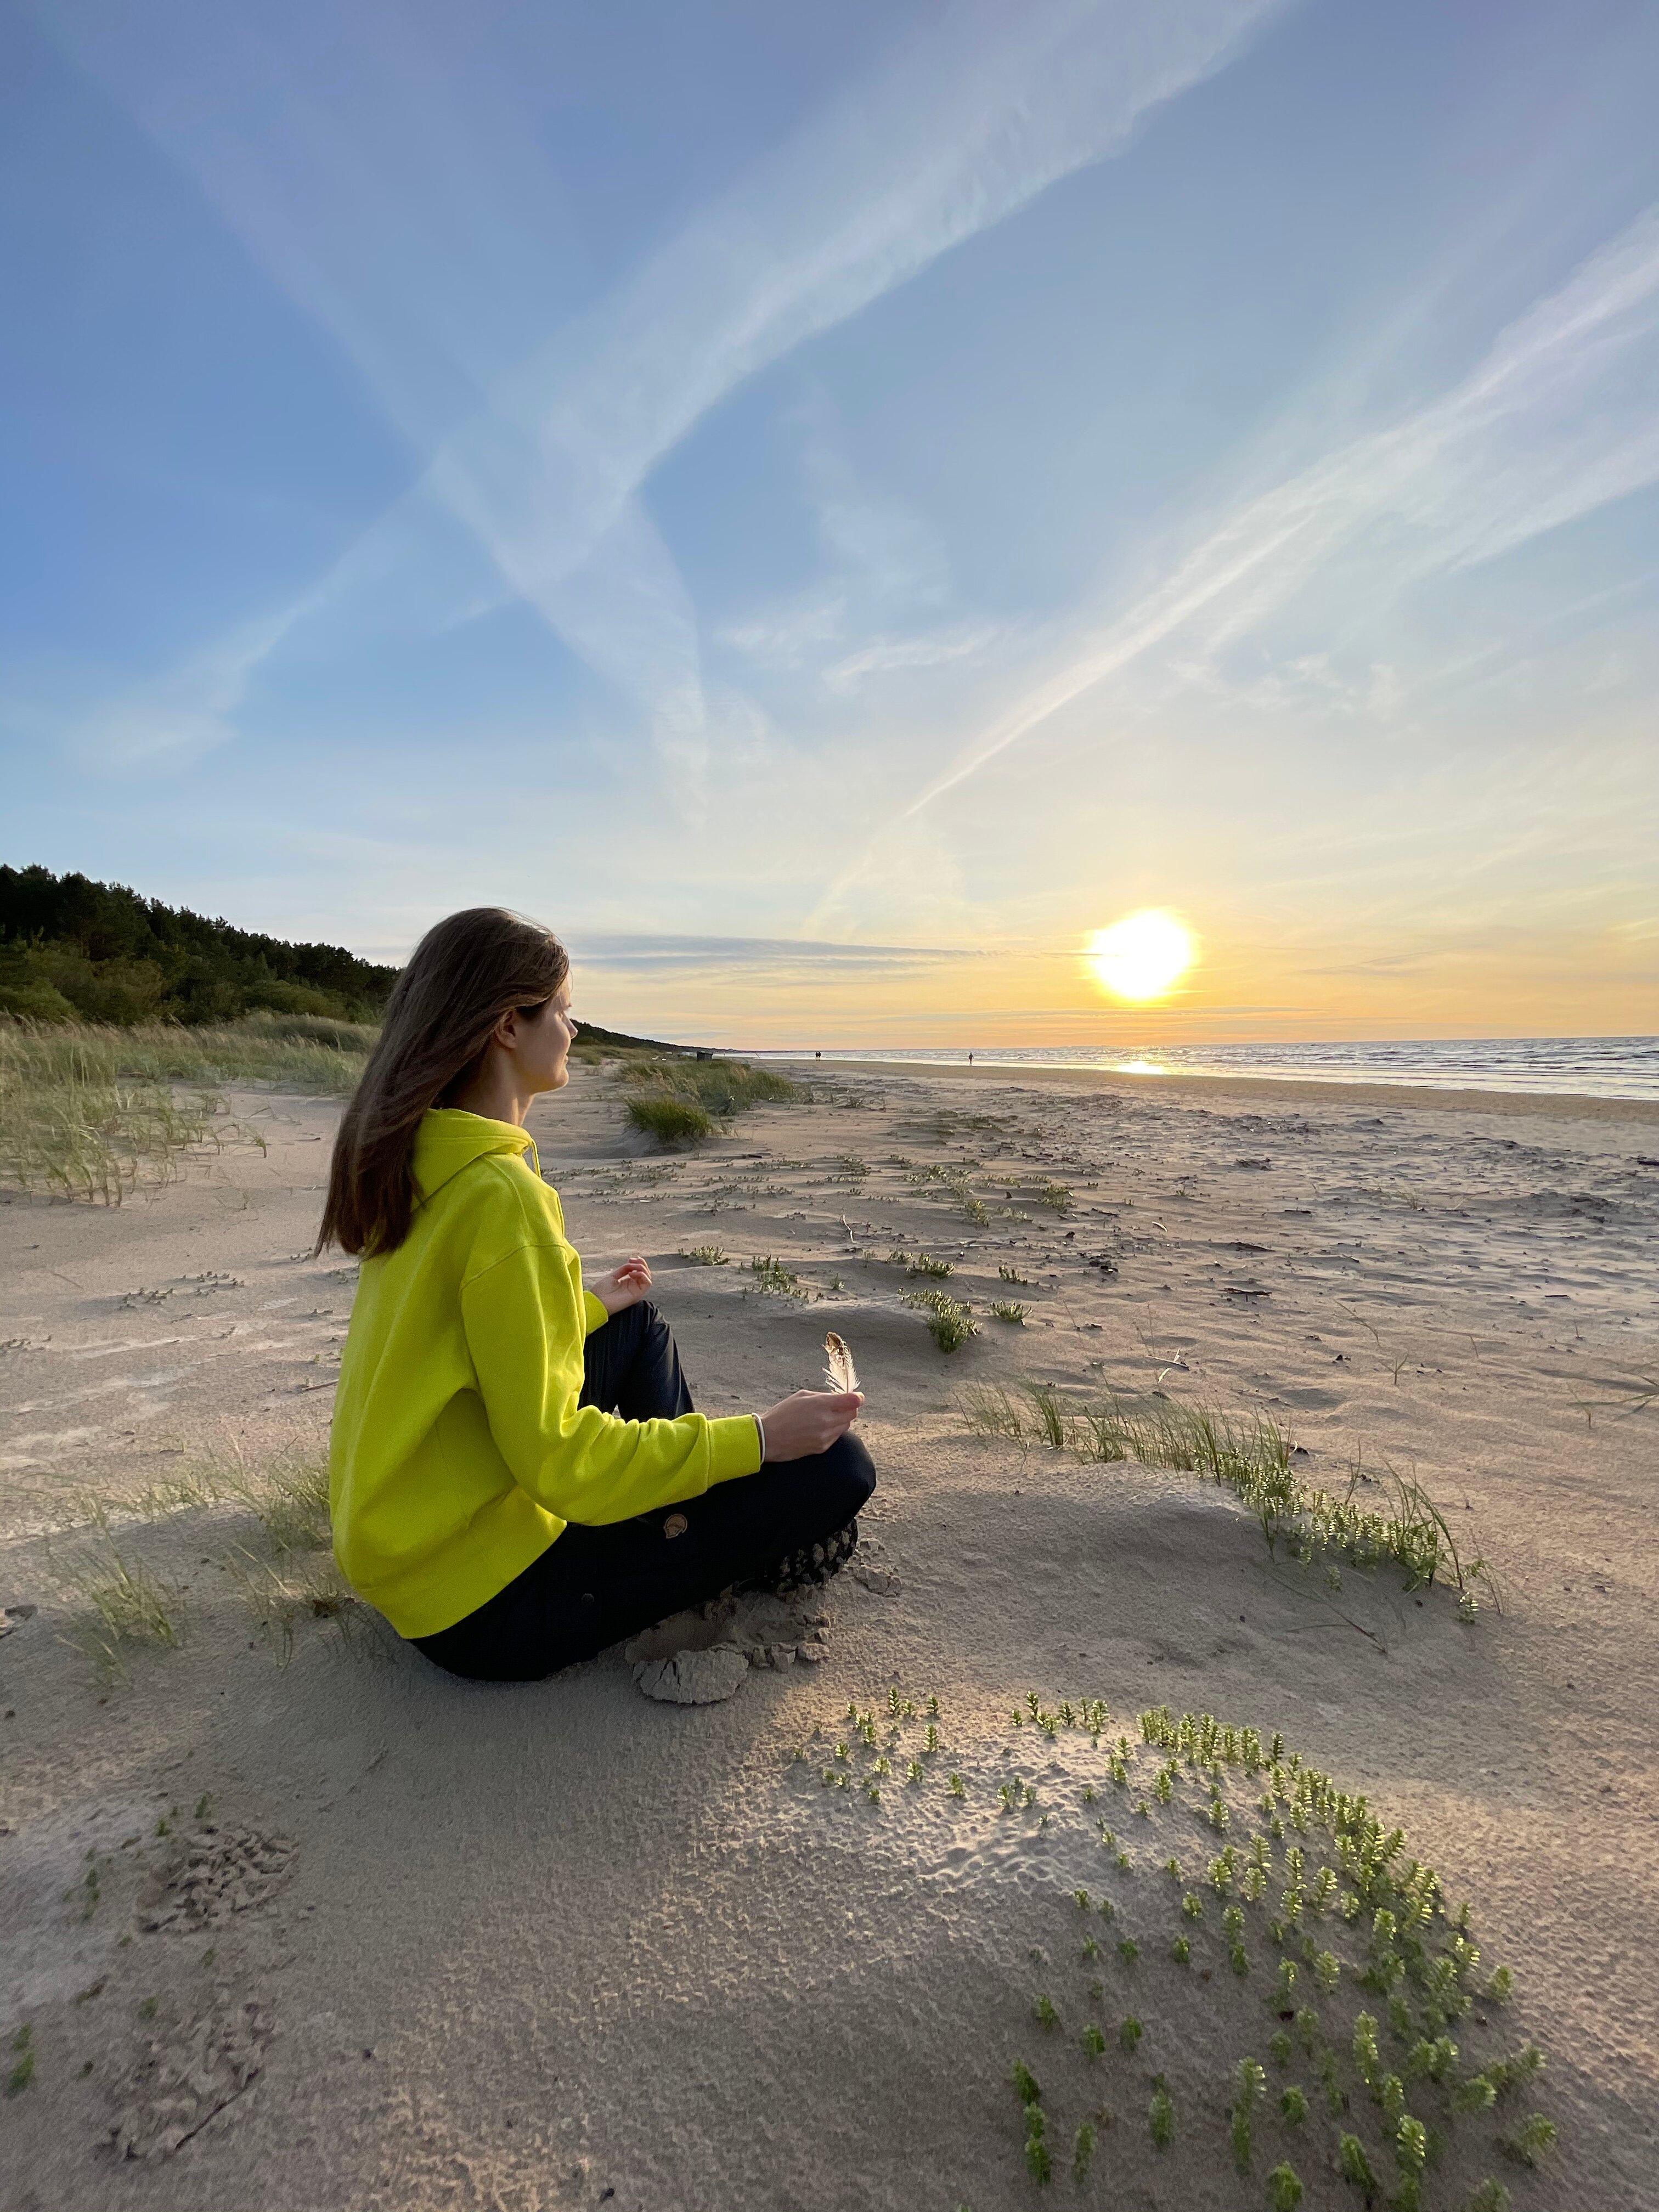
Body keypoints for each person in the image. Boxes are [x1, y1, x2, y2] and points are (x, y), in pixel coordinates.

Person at [317, 906, 873, 1683]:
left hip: (409, 1547)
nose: (573, 1030)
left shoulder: (422, 1155)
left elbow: (461, 1338)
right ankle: (683, 1523)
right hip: (483, 1608)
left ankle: (670, 1512)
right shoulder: (500, 1196)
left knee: (633, 1322)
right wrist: (756, 1440)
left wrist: (583, 1306)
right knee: (842, 1471)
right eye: (565, 1010)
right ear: (510, 1025)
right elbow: (560, 1463)